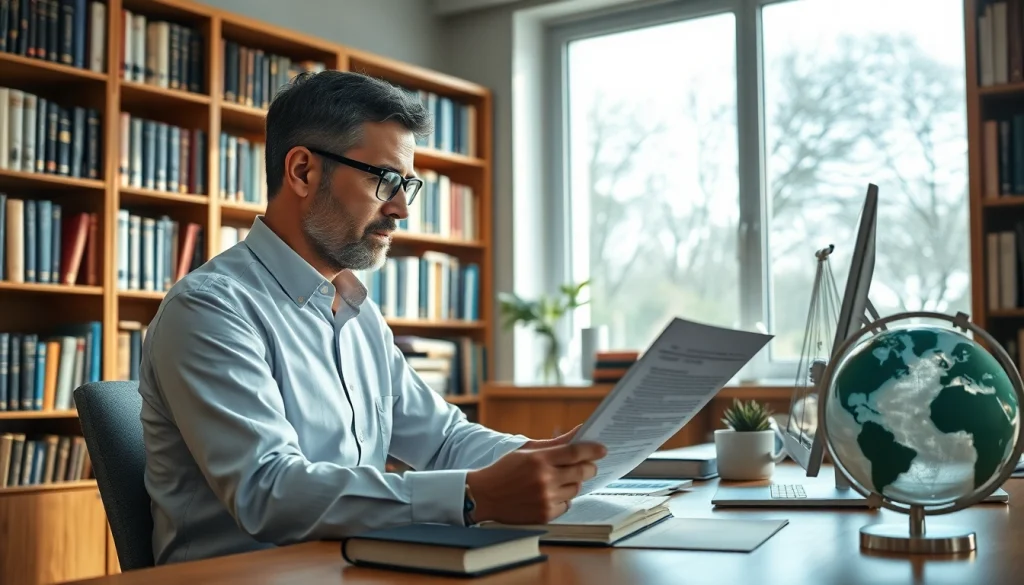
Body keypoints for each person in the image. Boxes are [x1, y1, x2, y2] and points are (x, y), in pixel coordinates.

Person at [137, 70, 607, 566]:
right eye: (385, 180)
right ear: (302, 172)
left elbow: (443, 439)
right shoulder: (210, 309)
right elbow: (268, 490)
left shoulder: (358, 312)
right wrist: (471, 496)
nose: (402, 209)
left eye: (407, 185)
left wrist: (544, 458)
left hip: (352, 568)